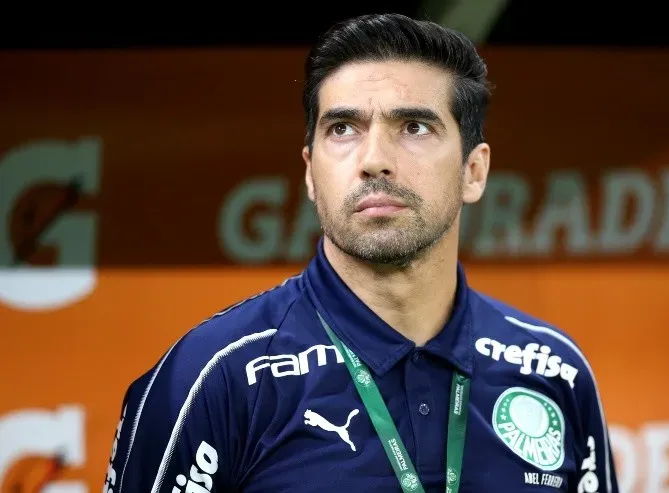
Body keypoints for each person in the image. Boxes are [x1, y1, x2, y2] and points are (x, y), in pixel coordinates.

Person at [102, 13, 619, 493]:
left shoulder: (556, 371)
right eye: (342, 128)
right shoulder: (214, 376)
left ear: (474, 171)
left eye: (414, 127)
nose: (374, 160)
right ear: (309, 171)